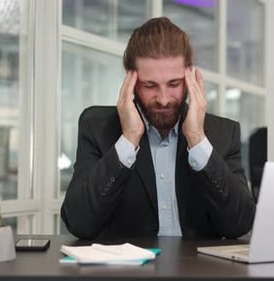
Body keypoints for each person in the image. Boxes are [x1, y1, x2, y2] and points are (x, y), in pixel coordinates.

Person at [61, 17, 256, 240]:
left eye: (174, 84)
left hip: (199, 272)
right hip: (129, 273)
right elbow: (78, 223)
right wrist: (128, 139)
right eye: (150, 85)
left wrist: (197, 140)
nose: (163, 99)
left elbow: (240, 224)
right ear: (130, 78)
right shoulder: (96, 127)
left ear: (189, 75)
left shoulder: (222, 132)